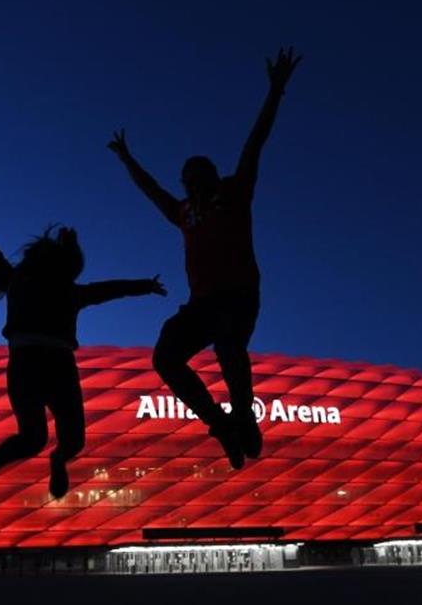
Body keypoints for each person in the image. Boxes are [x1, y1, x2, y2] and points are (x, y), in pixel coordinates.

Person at [107, 46, 302, 470]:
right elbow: (153, 191)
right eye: (188, 179)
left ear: (212, 176)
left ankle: (244, 418)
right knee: (165, 357)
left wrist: (275, 92)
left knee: (231, 346)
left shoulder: (234, 191)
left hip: (238, 293)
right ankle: (223, 426)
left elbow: (255, 144)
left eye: (199, 175)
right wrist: (127, 160)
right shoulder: (184, 212)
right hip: (201, 302)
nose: (193, 183)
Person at [0, 186, 166, 499]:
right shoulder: (67, 290)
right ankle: (54, 459)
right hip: (57, 364)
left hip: (25, 363)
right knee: (71, 439)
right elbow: (108, 290)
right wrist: (144, 286)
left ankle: (0, 461)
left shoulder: (20, 281)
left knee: (33, 437)